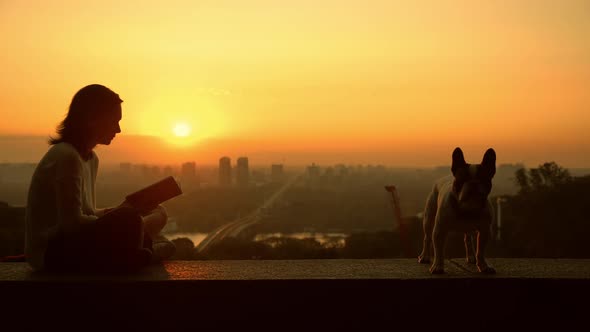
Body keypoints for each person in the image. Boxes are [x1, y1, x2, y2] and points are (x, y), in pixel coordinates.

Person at [25, 84, 175, 272]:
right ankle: (143, 253)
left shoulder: (90, 159)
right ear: (92, 120)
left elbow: (86, 214)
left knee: (158, 211)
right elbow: (71, 225)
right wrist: (123, 214)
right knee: (130, 219)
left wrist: (116, 210)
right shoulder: (66, 156)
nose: (118, 129)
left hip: (78, 244)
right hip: (52, 252)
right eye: (114, 121)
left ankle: (136, 250)